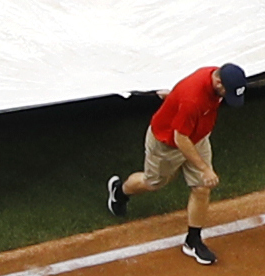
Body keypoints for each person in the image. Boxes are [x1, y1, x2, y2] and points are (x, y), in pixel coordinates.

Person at [106, 63, 249, 265]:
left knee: (202, 187)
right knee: (153, 183)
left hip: (197, 137)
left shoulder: (215, 77)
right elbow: (180, 138)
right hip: (168, 144)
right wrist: (205, 168)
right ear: (218, 82)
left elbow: (186, 91)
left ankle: (193, 241)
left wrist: (174, 98)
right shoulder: (193, 100)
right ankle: (120, 192)